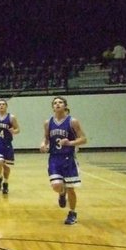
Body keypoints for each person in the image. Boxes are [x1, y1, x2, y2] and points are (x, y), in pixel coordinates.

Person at [39, 96, 87, 225]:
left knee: (71, 188)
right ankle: (61, 193)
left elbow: (83, 139)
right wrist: (43, 144)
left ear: (65, 106)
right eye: (55, 103)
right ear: (52, 107)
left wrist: (70, 142)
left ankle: (72, 213)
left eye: (60, 102)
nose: (57, 104)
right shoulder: (48, 122)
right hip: (54, 158)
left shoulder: (73, 121)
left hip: (69, 158)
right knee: (56, 186)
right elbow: (46, 138)